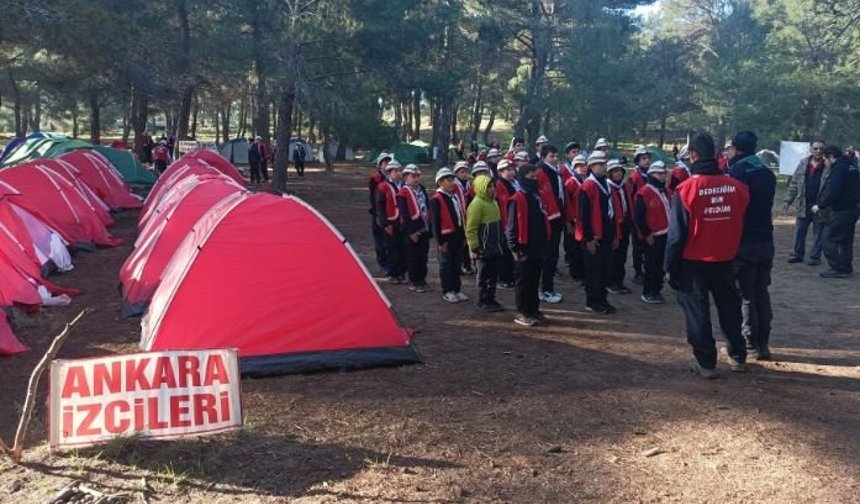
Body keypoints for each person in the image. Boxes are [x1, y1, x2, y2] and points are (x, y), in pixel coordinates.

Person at [664, 132, 750, 378]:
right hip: (726, 259)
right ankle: (738, 355)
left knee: (697, 312)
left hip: (693, 261)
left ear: (693, 155)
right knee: (730, 308)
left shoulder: (686, 189)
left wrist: (670, 267)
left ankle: (706, 362)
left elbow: (676, 236)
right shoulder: (738, 188)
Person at [728, 131, 777, 360]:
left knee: (746, 293)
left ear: (736, 149)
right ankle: (764, 343)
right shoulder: (767, 173)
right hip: (765, 240)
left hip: (744, 241)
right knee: (761, 291)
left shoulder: (737, 172)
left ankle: (750, 342)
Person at [506, 164, 550, 326]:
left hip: (537, 245)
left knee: (534, 280)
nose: (535, 180)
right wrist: (514, 247)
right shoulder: (517, 199)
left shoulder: (537, 196)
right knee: (523, 281)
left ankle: (533, 309)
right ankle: (523, 312)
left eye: (535, 177)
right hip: (523, 247)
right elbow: (511, 227)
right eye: (531, 177)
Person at [577, 151, 617, 314]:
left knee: (605, 270)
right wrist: (588, 239)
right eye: (599, 164)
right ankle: (592, 301)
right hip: (593, 235)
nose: (603, 167)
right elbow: (583, 216)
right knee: (594, 271)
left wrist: (615, 235)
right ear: (592, 166)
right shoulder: (588, 186)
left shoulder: (606, 183)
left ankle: (602, 299)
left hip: (607, 233)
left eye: (604, 164)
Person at [816, 146, 860, 278]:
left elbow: (835, 190)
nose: (824, 162)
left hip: (841, 210)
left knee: (828, 238)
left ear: (830, 157)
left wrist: (821, 205)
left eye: (825, 159)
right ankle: (846, 267)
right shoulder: (852, 167)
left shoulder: (838, 169)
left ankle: (837, 268)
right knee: (846, 240)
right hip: (853, 209)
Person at [783, 140, 826, 265]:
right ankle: (797, 254)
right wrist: (787, 200)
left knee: (819, 233)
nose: (818, 151)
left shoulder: (828, 165)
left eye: (821, 149)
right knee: (800, 231)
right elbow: (794, 184)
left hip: (821, 205)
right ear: (810, 149)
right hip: (803, 203)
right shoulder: (803, 164)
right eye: (816, 148)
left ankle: (815, 256)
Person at [467, 174, 506, 312]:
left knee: (493, 274)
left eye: (493, 186)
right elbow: (471, 228)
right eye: (488, 187)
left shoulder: (494, 202)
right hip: (482, 248)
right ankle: (482, 300)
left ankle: (491, 298)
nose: (491, 189)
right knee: (483, 275)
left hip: (494, 246)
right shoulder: (477, 204)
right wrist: (475, 246)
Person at [634, 161, 671, 304]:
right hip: (653, 236)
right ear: (652, 174)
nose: (662, 176)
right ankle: (648, 291)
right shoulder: (644, 192)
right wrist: (646, 234)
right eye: (659, 174)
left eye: (664, 173)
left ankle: (657, 289)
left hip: (665, 234)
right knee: (651, 265)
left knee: (661, 265)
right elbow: (639, 217)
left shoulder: (666, 190)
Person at [431, 167, 469, 303]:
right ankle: (448, 290)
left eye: (452, 179)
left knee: (456, 265)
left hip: (457, 237)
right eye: (448, 180)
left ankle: (456, 289)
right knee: (446, 265)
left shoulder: (454, 197)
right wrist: (440, 242)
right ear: (440, 182)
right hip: (446, 239)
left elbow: (460, 217)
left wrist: (463, 235)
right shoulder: (437, 199)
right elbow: (435, 223)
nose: (452, 182)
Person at [535, 144, 565, 304]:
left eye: (555, 156)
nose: (555, 159)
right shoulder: (540, 172)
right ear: (543, 157)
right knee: (548, 256)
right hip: (548, 220)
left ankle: (548, 287)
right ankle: (545, 289)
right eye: (551, 156)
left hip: (557, 218)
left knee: (553, 255)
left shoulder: (555, 172)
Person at [398, 164, 431, 293]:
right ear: (406, 177)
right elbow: (405, 214)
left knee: (423, 257)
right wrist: (411, 231)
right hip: (412, 230)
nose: (416, 179)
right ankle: (414, 280)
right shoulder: (403, 193)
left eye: (418, 176)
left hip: (424, 228)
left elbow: (427, 206)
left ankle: (422, 279)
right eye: (413, 176)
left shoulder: (421, 189)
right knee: (413, 256)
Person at [606, 159, 633, 295]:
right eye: (615, 171)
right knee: (613, 255)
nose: (618, 174)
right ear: (609, 173)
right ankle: (610, 282)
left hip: (625, 225)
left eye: (620, 171)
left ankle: (619, 281)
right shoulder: (607, 187)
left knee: (622, 255)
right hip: (613, 226)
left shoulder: (624, 186)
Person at [376, 160, 406, 284]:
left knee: (402, 248)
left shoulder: (403, 186)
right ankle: (393, 274)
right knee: (392, 249)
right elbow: (380, 207)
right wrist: (385, 224)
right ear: (389, 173)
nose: (398, 173)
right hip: (390, 222)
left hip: (401, 222)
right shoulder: (383, 187)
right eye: (395, 171)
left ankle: (401, 272)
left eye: (399, 171)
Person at [627, 146, 652, 284]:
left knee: (648, 243)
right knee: (638, 244)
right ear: (638, 160)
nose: (647, 161)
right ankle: (637, 271)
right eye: (643, 158)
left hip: (649, 214)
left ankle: (647, 268)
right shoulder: (634, 176)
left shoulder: (650, 174)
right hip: (637, 215)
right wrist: (633, 216)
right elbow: (630, 197)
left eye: (648, 158)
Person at [564, 154, 589, 286]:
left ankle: (584, 273)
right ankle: (576, 275)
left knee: (584, 248)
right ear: (574, 168)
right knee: (575, 249)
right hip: (574, 221)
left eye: (585, 165)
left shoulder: (588, 181)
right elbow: (567, 203)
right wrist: (568, 221)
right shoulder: (570, 182)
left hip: (585, 219)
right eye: (580, 166)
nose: (583, 168)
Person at [495, 159, 518, 289]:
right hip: (505, 222)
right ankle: (504, 278)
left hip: (512, 222)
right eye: (507, 170)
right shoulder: (500, 185)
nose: (511, 172)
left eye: (512, 169)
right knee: (504, 252)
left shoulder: (514, 183)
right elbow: (503, 205)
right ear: (500, 172)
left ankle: (510, 276)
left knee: (510, 251)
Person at [369, 153, 393, 275]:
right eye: (385, 163)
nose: (387, 165)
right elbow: (373, 198)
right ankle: (382, 263)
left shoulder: (392, 177)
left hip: (390, 213)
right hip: (379, 213)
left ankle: (391, 262)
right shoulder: (375, 178)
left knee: (390, 240)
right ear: (380, 165)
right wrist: (377, 214)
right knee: (380, 241)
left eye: (389, 162)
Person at [453, 161, 474, 275]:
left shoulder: (468, 184)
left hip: (468, 215)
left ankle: (467, 264)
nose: (464, 174)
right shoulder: (455, 184)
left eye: (466, 171)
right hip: (459, 216)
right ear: (456, 173)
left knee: (466, 242)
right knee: (459, 242)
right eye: (462, 172)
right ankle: (460, 265)